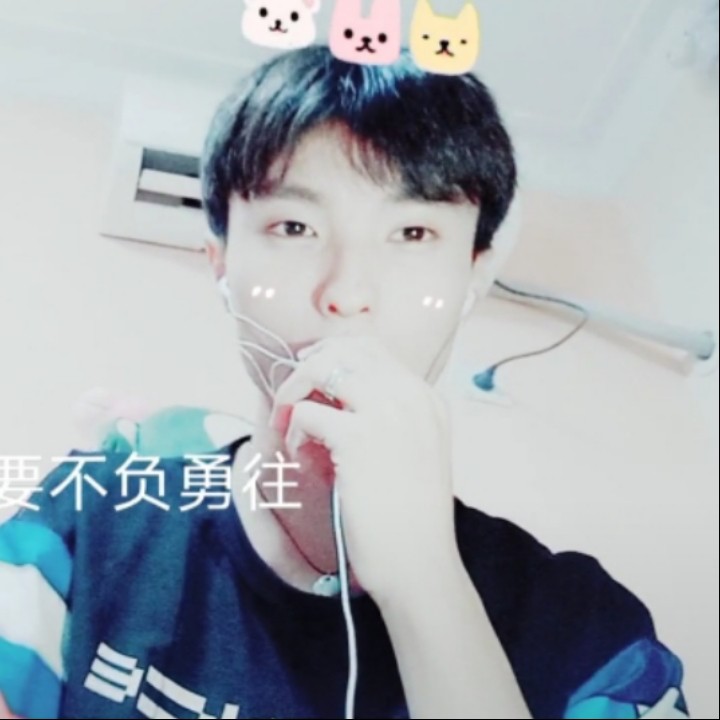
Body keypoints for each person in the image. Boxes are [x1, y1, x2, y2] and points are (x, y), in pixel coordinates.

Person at [0, 46, 690, 720]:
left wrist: (425, 583)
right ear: (221, 265)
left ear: (473, 277)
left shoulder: (589, 636)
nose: (347, 293)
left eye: (413, 233)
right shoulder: (89, 517)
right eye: (294, 226)